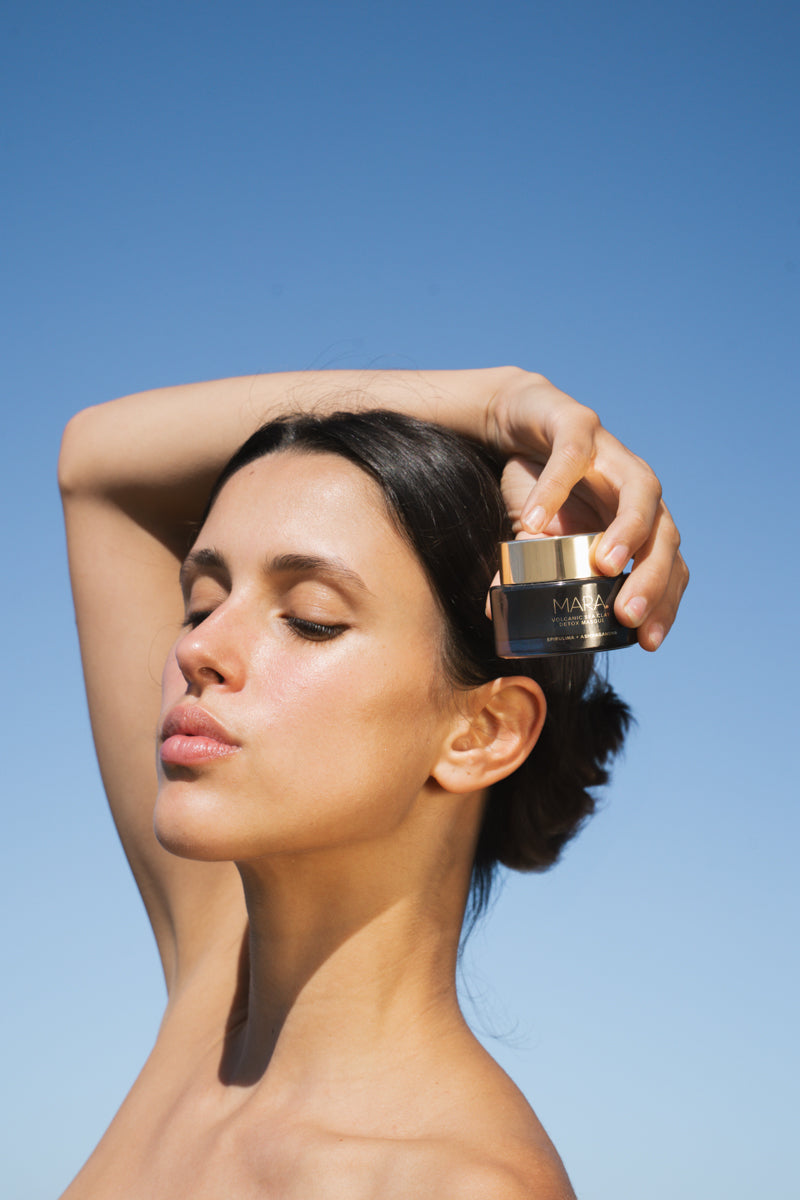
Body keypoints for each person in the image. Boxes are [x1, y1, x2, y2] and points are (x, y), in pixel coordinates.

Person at [58, 368, 688, 1199]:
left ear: (482, 732)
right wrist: (496, 404)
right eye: (201, 601)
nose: (195, 650)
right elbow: (95, 464)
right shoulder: (220, 987)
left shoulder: (461, 1185)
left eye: (312, 617)